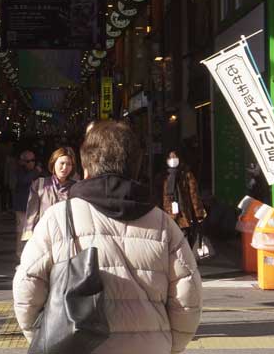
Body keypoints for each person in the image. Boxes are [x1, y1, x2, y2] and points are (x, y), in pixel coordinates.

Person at [13, 121, 202, 354]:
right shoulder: (164, 225)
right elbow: (188, 299)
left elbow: (26, 291)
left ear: (86, 170)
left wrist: (49, 338)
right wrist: (169, 345)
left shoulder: (57, 219)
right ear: (135, 168)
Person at [21, 147, 77, 241]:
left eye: (69, 164)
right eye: (62, 163)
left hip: (67, 237)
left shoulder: (76, 187)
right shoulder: (40, 184)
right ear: (53, 163)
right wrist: (28, 233)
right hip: (44, 236)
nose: (65, 167)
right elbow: (31, 212)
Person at [157, 151, 206, 247]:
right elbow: (194, 195)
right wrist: (199, 214)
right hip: (175, 216)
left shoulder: (182, 174)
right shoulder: (164, 176)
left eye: (174, 157)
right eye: (171, 158)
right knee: (181, 241)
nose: (173, 160)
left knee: (177, 241)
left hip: (177, 216)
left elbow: (194, 194)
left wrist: (199, 213)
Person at [11, 149, 41, 260]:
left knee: (33, 230)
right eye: (28, 161)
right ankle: (20, 254)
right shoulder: (19, 171)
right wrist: (35, 172)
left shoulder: (37, 172)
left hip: (34, 206)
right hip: (22, 206)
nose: (32, 163)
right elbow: (23, 180)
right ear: (22, 161)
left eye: (33, 160)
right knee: (21, 231)